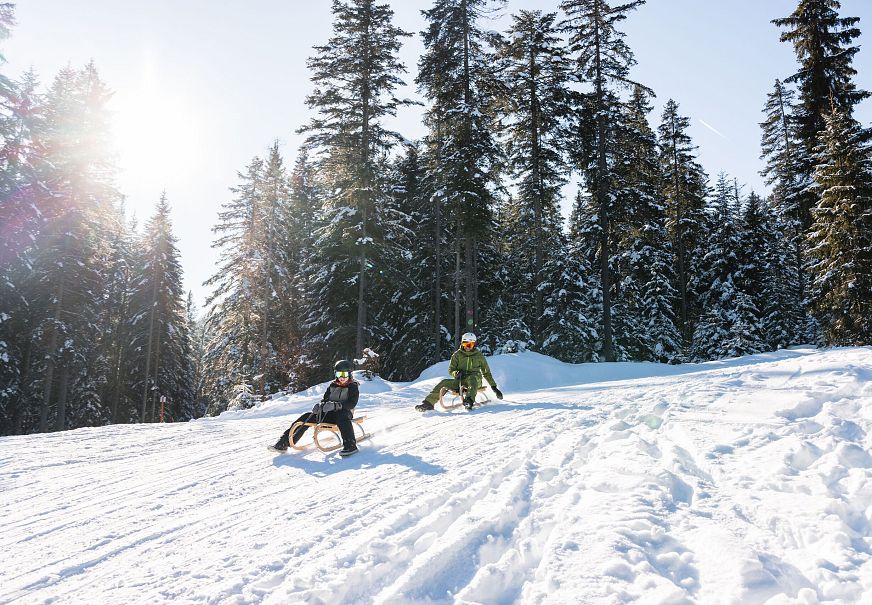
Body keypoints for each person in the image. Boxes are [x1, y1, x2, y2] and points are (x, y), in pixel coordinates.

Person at [270, 360, 360, 456]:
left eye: (344, 374)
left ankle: (350, 445)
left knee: (341, 415)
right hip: (329, 414)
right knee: (306, 417)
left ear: (349, 374)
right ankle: (284, 442)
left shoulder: (352, 387)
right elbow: (325, 400)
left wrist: (336, 405)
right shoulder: (332, 386)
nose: (342, 377)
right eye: (339, 374)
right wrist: (320, 406)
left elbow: (351, 403)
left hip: (344, 414)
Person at [415, 332, 503, 411]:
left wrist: (494, 387)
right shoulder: (457, 355)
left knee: (472, 379)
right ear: (462, 343)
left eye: (470, 345)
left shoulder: (479, 356)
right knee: (444, 382)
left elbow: (486, 372)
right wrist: (455, 373)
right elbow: (451, 369)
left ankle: (469, 401)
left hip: (475, 380)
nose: (468, 347)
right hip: (461, 380)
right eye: (466, 344)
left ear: (474, 345)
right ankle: (428, 404)